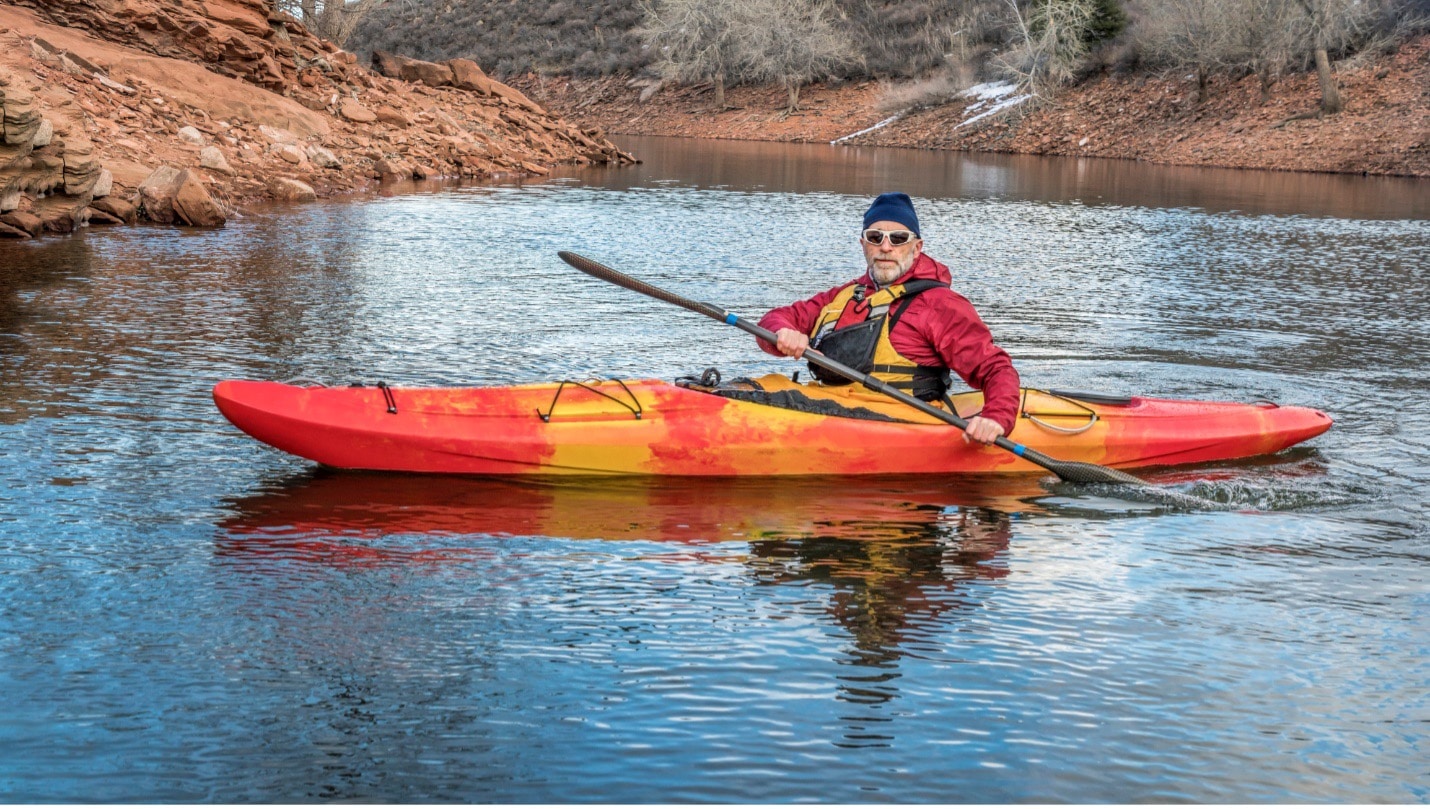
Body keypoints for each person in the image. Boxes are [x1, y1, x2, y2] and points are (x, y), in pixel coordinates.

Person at [757, 192, 1020, 445]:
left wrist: (996, 418)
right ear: (863, 245)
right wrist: (783, 332)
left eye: (898, 238)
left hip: (898, 420)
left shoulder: (941, 305)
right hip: (833, 405)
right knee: (754, 387)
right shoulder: (843, 295)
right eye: (875, 237)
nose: (885, 247)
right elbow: (777, 319)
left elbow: (995, 368)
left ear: (916, 248)